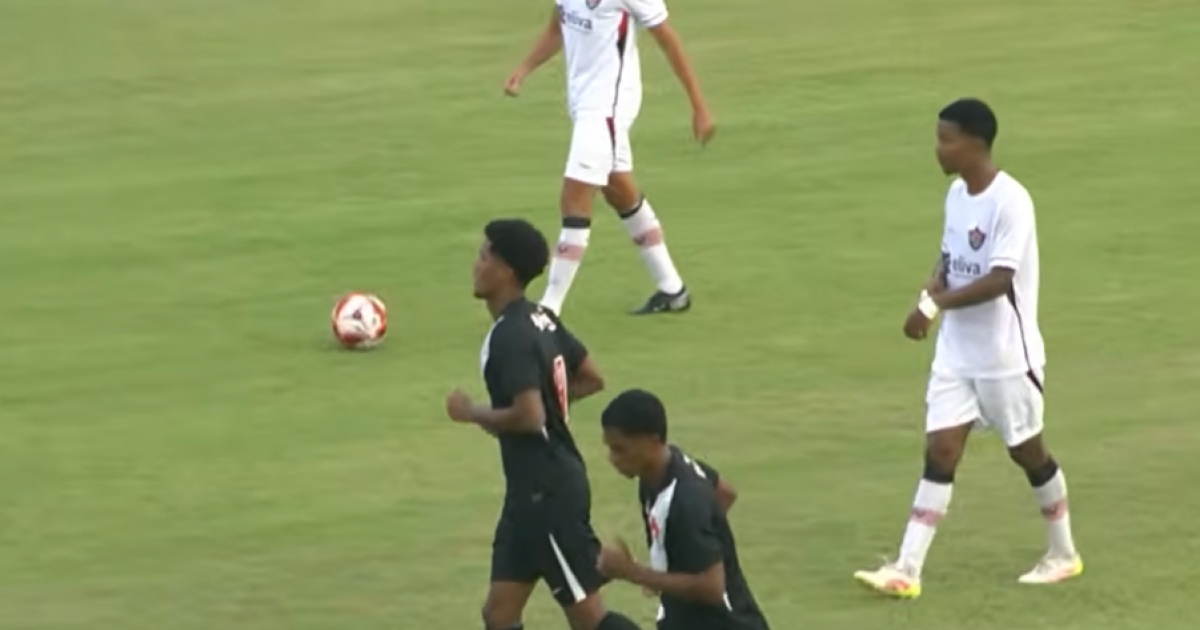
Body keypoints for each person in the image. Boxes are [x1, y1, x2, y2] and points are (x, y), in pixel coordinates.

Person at [853, 98, 1083, 599]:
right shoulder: (957, 194)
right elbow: (949, 258)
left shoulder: (1011, 201)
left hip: (1006, 357)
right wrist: (927, 295)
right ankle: (906, 569)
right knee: (941, 450)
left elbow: (1001, 279)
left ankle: (1063, 554)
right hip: (957, 355)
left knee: (1028, 452)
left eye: (946, 139)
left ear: (975, 144)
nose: (938, 149)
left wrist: (934, 306)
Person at [445, 218, 643, 630]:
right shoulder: (541, 318)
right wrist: (550, 404)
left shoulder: (510, 336)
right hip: (527, 496)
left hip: (547, 494)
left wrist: (472, 412)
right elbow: (590, 377)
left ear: (506, 271)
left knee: (588, 616)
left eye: (484, 257)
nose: (476, 265)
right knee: (499, 613)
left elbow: (530, 416)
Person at [504, 0, 716, 316]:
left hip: (609, 108)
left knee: (574, 197)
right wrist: (523, 70)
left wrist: (699, 107)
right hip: (582, 104)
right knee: (618, 189)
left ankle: (548, 310)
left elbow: (667, 39)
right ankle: (673, 289)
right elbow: (557, 27)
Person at [595, 389, 770, 630]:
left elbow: (711, 587)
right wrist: (695, 543)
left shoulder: (686, 501)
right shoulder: (662, 468)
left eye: (620, 449)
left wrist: (634, 573)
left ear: (652, 442)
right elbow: (724, 493)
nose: (612, 458)